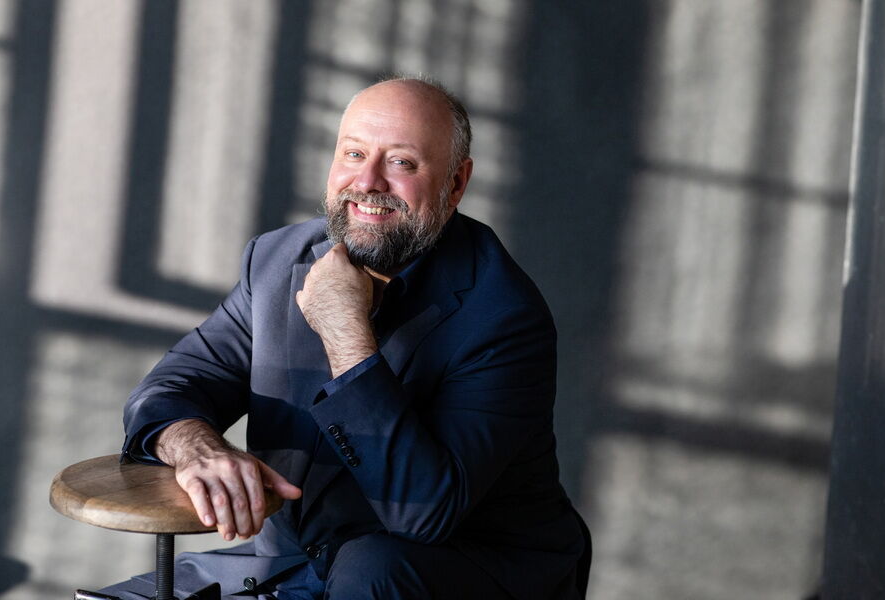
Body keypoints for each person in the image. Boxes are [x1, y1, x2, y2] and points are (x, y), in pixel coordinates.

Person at [104, 76, 587, 600]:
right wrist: (197, 448)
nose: (368, 181)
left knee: (371, 567)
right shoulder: (276, 260)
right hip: (288, 562)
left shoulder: (503, 315)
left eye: (401, 162)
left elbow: (423, 513)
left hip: (440, 573)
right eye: (354, 154)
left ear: (455, 184)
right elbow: (168, 390)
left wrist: (345, 331)